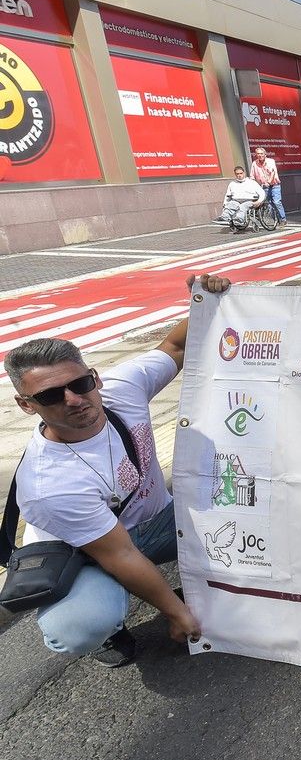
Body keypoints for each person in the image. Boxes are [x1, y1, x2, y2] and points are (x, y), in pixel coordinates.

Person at [5, 273, 231, 667]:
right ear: (27, 405)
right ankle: (108, 622)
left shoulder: (122, 388)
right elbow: (120, 554)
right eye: (50, 396)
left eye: (80, 383)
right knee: (80, 625)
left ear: (95, 376)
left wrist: (206, 299)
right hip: (85, 552)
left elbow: (177, 345)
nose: (74, 400)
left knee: (243, 503)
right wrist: (176, 612)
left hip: (157, 520)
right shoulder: (48, 484)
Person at [212, 166, 265, 231]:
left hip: (249, 200)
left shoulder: (252, 182)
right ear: (235, 174)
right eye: (237, 174)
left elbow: (262, 192)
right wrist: (225, 204)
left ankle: (238, 220)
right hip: (236, 200)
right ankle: (224, 218)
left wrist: (259, 201)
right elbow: (228, 196)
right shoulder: (232, 184)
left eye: (241, 173)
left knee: (242, 207)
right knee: (230, 205)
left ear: (244, 173)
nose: (239, 175)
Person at [249, 147, 286, 228]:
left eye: (261, 154)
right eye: (258, 154)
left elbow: (273, 172)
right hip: (264, 186)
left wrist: (269, 181)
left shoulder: (270, 161)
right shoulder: (254, 164)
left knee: (276, 202)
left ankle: (283, 219)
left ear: (265, 155)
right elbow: (252, 176)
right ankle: (276, 220)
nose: (260, 155)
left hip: (274, 184)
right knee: (269, 204)